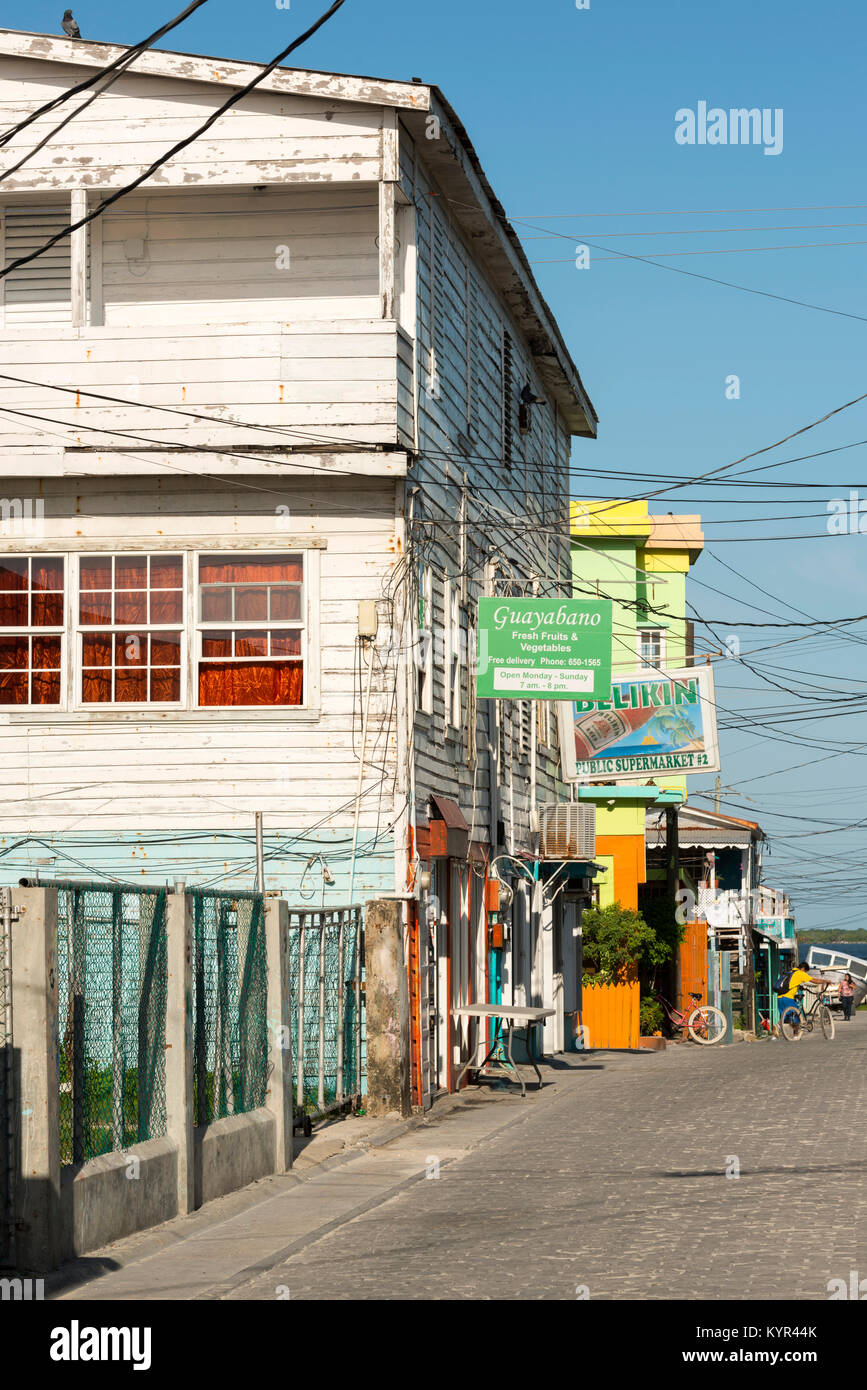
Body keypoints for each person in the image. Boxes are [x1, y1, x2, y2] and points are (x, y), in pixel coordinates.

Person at [776, 960, 828, 1030]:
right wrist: (826, 981)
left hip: (779, 997)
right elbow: (814, 980)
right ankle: (796, 1035)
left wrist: (799, 987)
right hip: (788, 998)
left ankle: (777, 1026)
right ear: (803, 969)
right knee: (796, 1016)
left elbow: (792, 983)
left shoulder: (791, 972)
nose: (805, 973)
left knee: (785, 1017)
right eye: (806, 971)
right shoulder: (800, 973)